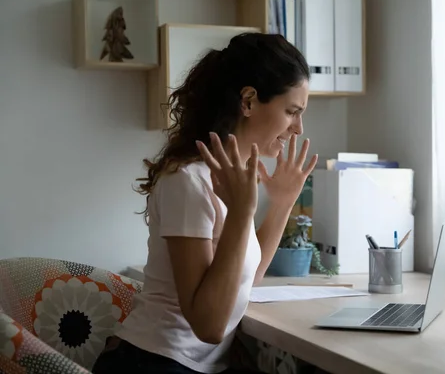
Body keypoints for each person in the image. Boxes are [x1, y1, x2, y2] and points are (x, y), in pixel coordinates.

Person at [91, 32, 318, 374]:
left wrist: (283, 203)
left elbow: (245, 279)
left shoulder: (233, 179)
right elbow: (208, 326)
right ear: (249, 101)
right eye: (291, 112)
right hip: (153, 362)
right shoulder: (189, 180)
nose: (298, 128)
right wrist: (242, 214)